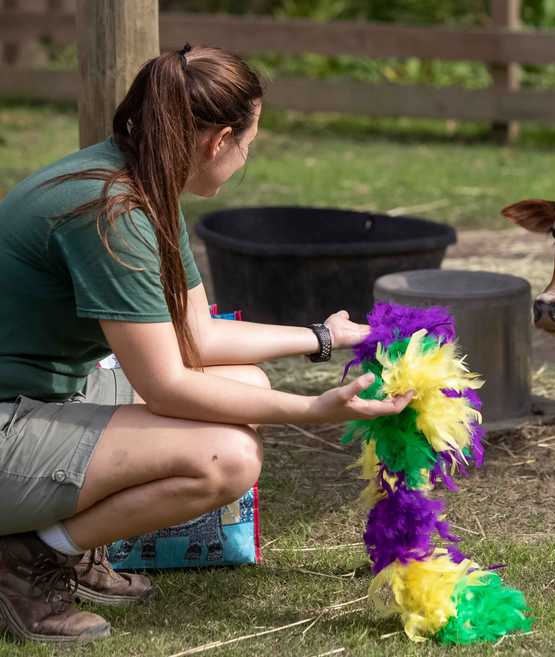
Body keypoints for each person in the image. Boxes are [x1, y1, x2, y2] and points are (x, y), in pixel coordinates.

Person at [0, 45, 412, 643]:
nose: (247, 154)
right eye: (249, 142)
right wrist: (313, 411)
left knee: (246, 384)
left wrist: (323, 337)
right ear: (219, 141)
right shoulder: (111, 211)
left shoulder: (135, 176)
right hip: (9, 420)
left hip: (33, 398)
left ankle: (52, 536)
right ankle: (30, 555)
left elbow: (198, 335)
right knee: (226, 457)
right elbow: (166, 385)